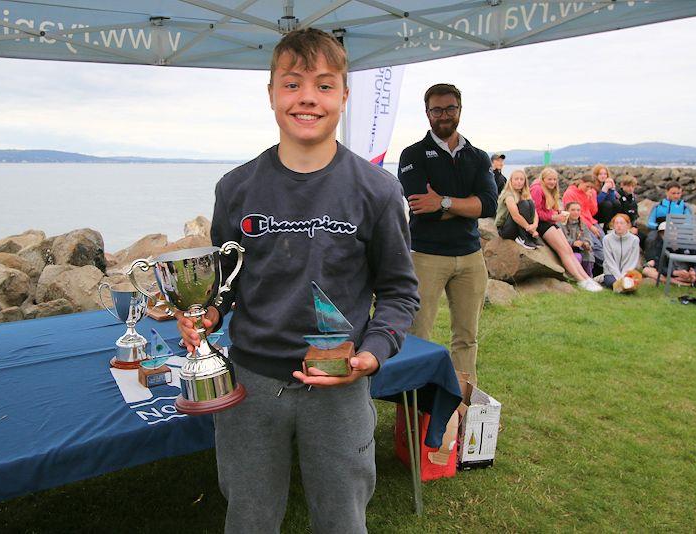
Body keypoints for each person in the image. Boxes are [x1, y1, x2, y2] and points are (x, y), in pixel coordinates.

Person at [176, 28, 420, 534]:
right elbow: (227, 280)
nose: (307, 97)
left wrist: (370, 355)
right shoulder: (236, 188)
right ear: (270, 93)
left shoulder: (377, 191)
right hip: (250, 384)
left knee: (342, 520)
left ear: (345, 96)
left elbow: (399, 291)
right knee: (249, 517)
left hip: (339, 386)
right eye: (292, 84)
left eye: (325, 85)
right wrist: (208, 312)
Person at [397, 83, 497, 385]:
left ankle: (461, 406)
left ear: (459, 110)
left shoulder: (478, 156)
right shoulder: (412, 154)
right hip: (426, 256)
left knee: (467, 338)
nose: (444, 115)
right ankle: (413, 406)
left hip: (470, 256)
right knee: (417, 335)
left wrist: (442, 201)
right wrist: (468, 204)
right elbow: (419, 204)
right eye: (437, 110)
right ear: (427, 114)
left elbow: (489, 205)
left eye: (449, 108)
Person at [530, 167, 603, 292]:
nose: (552, 182)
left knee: (568, 250)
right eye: (549, 179)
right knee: (563, 250)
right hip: (542, 224)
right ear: (543, 179)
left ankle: (586, 278)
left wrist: (557, 212)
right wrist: (554, 216)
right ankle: (580, 280)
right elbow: (536, 212)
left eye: (554, 179)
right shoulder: (537, 189)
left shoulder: (548, 190)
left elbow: (546, 209)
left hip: (549, 221)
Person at [562, 173, 604, 270]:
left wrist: (590, 198)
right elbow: (575, 215)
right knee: (595, 245)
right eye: (587, 186)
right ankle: (606, 267)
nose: (589, 188)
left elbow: (593, 211)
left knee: (604, 240)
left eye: (591, 187)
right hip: (580, 224)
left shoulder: (590, 192)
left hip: (591, 221)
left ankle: (610, 266)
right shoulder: (570, 193)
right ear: (581, 182)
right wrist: (590, 226)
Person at [642, 221, 696, 286]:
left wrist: (695, 272)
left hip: (688, 273)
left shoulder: (687, 243)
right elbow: (660, 267)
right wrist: (675, 273)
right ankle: (683, 284)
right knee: (646, 270)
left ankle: (677, 281)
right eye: (663, 233)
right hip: (672, 273)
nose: (667, 235)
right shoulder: (659, 246)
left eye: (670, 232)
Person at [494, 169, 540, 249]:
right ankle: (523, 237)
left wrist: (534, 225)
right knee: (523, 204)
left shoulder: (524, 193)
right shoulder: (508, 195)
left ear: (525, 182)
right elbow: (515, 216)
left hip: (522, 226)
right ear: (511, 181)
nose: (519, 181)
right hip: (505, 230)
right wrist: (531, 230)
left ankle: (528, 236)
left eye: (521, 179)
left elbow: (535, 212)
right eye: (516, 179)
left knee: (530, 202)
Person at [646, 182, 692, 254]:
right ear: (667, 192)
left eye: (678, 193)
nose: (676, 196)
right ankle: (652, 262)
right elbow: (649, 223)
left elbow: (688, 223)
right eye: (673, 193)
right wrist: (659, 227)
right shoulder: (657, 206)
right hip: (659, 231)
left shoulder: (685, 207)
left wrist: (676, 229)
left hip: (677, 232)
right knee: (651, 239)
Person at [602, 214, 641, 290]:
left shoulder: (634, 240)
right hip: (611, 272)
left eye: (622, 223)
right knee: (612, 283)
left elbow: (633, 260)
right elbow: (609, 260)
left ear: (628, 225)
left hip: (628, 271)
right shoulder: (607, 239)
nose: (619, 226)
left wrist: (624, 275)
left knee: (632, 284)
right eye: (616, 223)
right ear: (613, 225)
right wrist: (619, 277)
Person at [560, 201, 594, 277]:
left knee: (588, 255)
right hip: (566, 251)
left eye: (578, 210)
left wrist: (586, 243)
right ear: (567, 211)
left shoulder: (582, 224)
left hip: (580, 249)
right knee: (577, 256)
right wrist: (573, 243)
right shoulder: (561, 223)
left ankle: (588, 278)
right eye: (573, 210)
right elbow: (560, 239)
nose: (576, 212)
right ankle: (575, 277)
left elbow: (588, 238)